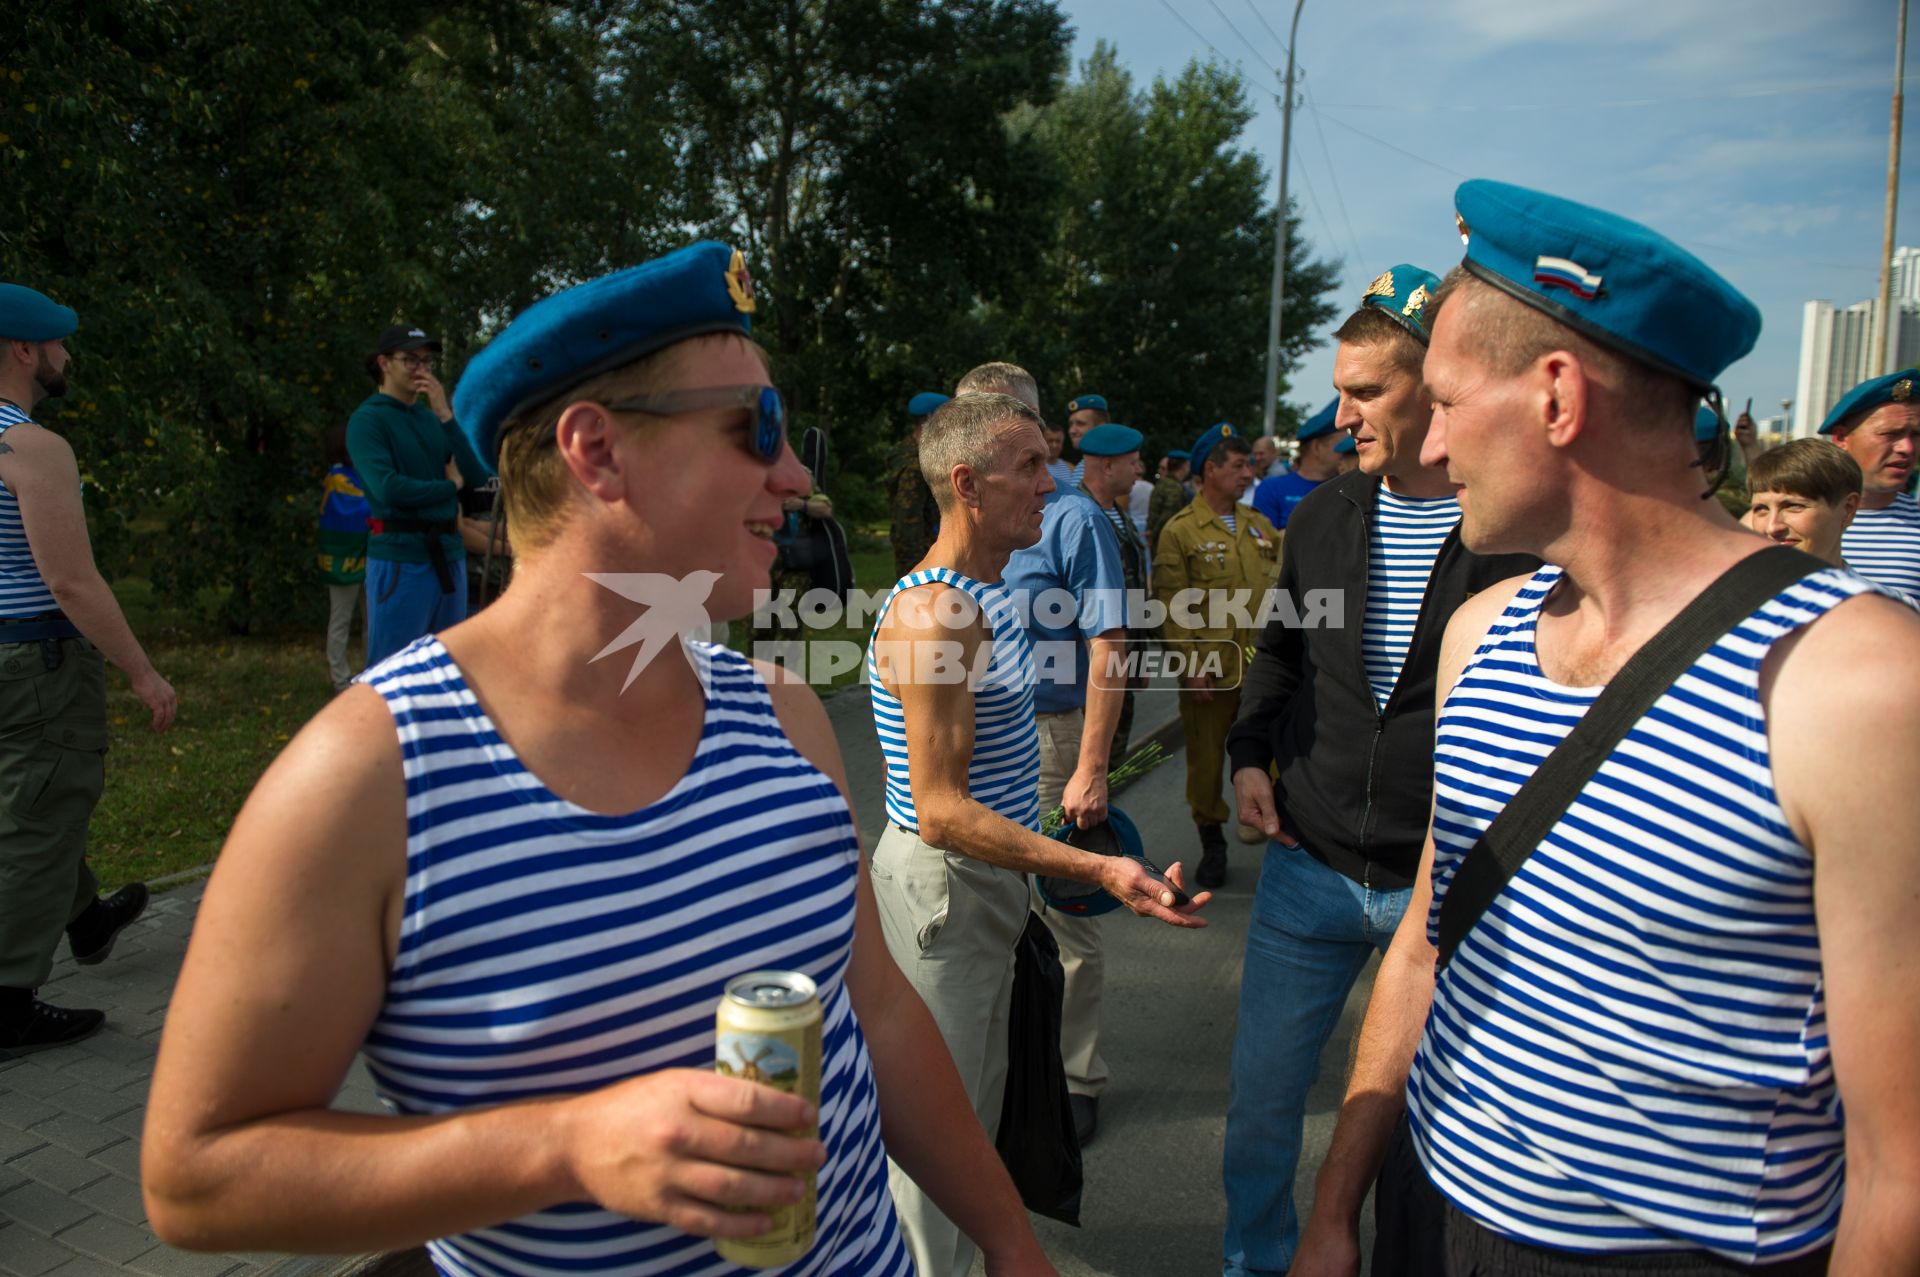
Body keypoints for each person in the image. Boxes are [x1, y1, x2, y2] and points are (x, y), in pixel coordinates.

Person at [142, 244, 1060, 1277]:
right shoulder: (369, 775)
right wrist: (564, 1144)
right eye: (759, 430)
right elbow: (196, 1172)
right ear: (597, 450)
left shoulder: (781, 713)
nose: (799, 476)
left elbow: (879, 1012)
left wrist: (1007, 1233)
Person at [1291, 181, 1920, 1276]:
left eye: (1442, 401)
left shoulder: (1853, 684)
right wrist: (1337, 1204)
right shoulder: (1481, 634)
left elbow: (1898, 1169)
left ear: (1556, 398)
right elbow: (1427, 941)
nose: (1428, 451)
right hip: (1431, 1221)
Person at [1220, 264, 1534, 1277]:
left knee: (1419, 1135)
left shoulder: (1512, 533)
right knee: (1262, 1111)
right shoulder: (1319, 515)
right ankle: (1255, 1264)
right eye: (1340, 388)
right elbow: (1280, 649)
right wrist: (1248, 752)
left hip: (1442, 894)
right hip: (1307, 869)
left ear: (1432, 386)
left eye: (1367, 391)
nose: (1339, 411)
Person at [867, 391, 1209, 1277]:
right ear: (967, 484)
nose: (1052, 484)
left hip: (981, 887)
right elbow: (939, 808)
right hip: (946, 890)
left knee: (977, 1130)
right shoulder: (935, 615)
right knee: (937, 1157)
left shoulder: (985, 597)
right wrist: (1098, 865)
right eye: (1030, 466)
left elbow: (992, 786)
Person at [0, 283, 173, 1052]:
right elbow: (70, 580)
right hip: (36, 660)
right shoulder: (32, 447)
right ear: (24, 350)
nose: (67, 355)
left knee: (25, 799)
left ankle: (86, 916)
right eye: (59, 343)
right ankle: (7, 1002)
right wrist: (141, 670)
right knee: (40, 814)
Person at [1002, 421, 1141, 1149]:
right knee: (988, 906)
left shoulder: (1072, 516)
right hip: (979, 732)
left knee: (1065, 908)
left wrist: (1091, 766)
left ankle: (1076, 1074)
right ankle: (1011, 1065)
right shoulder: (969, 507)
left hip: (1051, 735)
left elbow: (1108, 639)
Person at [1152, 423, 1279, 888]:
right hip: (1213, 671)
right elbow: (1171, 602)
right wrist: (1191, 667)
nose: (1248, 473)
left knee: (1274, 752)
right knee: (1207, 762)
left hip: (1262, 671)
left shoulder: (1259, 527)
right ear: (1211, 469)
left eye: (1249, 465)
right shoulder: (1181, 531)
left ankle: (1268, 824)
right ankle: (1213, 843)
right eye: (1238, 465)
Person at [347, 323, 490, 665]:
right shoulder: (368, 421)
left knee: (448, 669)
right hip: (400, 560)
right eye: (411, 360)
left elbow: (476, 474)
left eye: (426, 362)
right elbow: (389, 490)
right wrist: (448, 487)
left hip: (449, 558)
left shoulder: (430, 419)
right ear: (384, 363)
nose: (421, 369)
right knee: (394, 670)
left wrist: (444, 413)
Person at [1820, 367, 1920, 601]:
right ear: (1841, 438)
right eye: (1889, 434)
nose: (1907, 448)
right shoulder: (1786, 520)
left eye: (1916, 434)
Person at [1745, 438, 1863, 569]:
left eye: (1793, 506)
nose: (1772, 527)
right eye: (1761, 509)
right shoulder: (1730, 588)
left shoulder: (1869, 590)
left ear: (1848, 509)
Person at [318, 423, 370, 691]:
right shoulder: (337, 479)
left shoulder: (359, 474)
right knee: (341, 619)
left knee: (371, 618)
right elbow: (360, 509)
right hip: (343, 559)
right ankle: (340, 678)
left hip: (368, 555)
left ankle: (371, 671)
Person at [1251, 401, 1338, 530]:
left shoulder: (1347, 490)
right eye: (1341, 444)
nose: (1347, 450)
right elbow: (1265, 543)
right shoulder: (1271, 489)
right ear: (1317, 447)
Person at [888, 391, 947, 576]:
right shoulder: (915, 463)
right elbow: (908, 519)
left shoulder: (907, 450)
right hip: (920, 556)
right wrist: (916, 569)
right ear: (931, 419)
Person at [1148, 448, 1191, 550]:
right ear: (1184, 466)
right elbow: (1168, 514)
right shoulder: (1174, 488)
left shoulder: (1162, 483)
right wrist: (1154, 535)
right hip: (1166, 539)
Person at [1063, 392, 1108, 489]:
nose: (1072, 430)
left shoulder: (1110, 465)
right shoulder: (1084, 464)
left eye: (1080, 423)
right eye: (1070, 424)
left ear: (1101, 427)